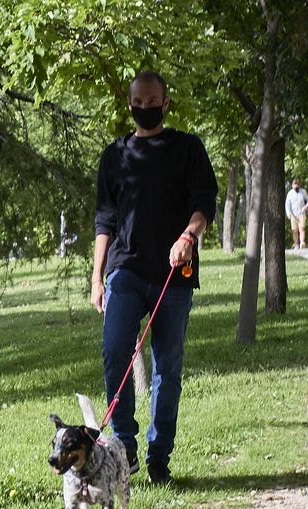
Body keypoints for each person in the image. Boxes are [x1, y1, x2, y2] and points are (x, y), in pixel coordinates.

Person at [90, 71, 217, 485]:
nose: (144, 109)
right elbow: (104, 221)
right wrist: (97, 278)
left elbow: (203, 207)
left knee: (168, 367)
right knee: (114, 352)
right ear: (129, 104)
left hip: (173, 275)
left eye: (151, 102)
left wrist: (188, 236)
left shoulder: (187, 149)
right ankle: (123, 449)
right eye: (137, 102)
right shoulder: (114, 156)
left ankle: (159, 455)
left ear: (166, 103)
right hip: (124, 271)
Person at [285, 179, 308, 250]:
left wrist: (306, 206)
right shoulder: (290, 194)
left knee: (302, 228)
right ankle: (296, 244)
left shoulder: (303, 192)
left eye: (297, 187)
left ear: (299, 185)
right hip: (293, 214)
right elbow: (287, 205)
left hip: (301, 213)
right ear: (292, 186)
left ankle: (302, 242)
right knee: (294, 230)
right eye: (294, 187)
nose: (296, 188)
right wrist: (288, 213)